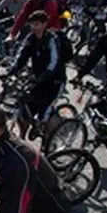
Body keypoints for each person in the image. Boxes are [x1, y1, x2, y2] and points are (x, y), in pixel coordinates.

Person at [10, 10, 66, 139]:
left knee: (44, 112)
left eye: (37, 24)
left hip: (54, 81)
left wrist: (42, 77)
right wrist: (12, 70)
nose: (33, 27)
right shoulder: (31, 38)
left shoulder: (51, 39)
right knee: (25, 110)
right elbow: (22, 56)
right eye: (32, 24)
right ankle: (21, 139)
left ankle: (50, 143)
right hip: (37, 80)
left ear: (44, 24)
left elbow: (54, 63)